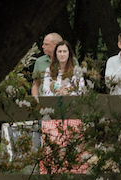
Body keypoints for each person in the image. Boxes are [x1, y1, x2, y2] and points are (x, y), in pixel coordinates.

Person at [36, 41, 89, 172]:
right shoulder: (49, 70)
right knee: (52, 145)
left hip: (72, 112)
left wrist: (68, 92)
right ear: (55, 54)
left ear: (69, 54)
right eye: (59, 51)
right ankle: (52, 175)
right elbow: (46, 91)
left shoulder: (76, 71)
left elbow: (81, 90)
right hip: (53, 114)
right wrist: (57, 92)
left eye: (65, 51)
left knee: (72, 146)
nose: (62, 54)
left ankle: (75, 174)